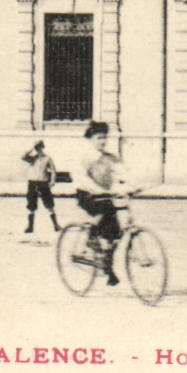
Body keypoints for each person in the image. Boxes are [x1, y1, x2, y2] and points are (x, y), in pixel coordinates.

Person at [74, 121, 127, 285]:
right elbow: (80, 177)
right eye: (99, 138)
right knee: (104, 210)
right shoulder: (86, 157)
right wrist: (96, 188)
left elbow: (123, 172)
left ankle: (108, 269)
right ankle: (90, 237)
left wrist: (133, 185)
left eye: (105, 137)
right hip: (87, 195)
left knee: (115, 234)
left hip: (105, 196)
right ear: (90, 139)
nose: (103, 141)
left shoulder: (110, 158)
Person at [21, 140, 59, 233]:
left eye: (39, 147)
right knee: (31, 205)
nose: (38, 150)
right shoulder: (32, 158)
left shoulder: (47, 158)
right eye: (37, 148)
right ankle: (30, 227)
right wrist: (31, 149)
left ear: (42, 147)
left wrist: (52, 181)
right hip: (33, 182)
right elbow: (23, 157)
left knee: (49, 204)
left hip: (43, 183)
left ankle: (56, 225)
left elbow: (53, 170)